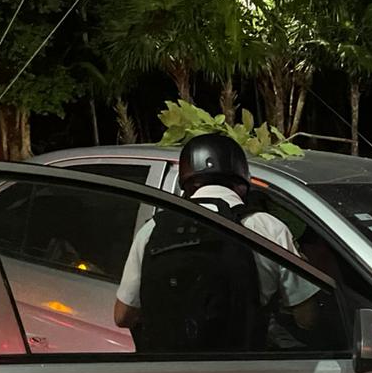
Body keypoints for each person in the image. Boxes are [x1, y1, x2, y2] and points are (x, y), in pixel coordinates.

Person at [114, 133, 319, 337]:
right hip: (244, 365)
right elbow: (307, 318)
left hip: (170, 366)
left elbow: (123, 316)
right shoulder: (268, 228)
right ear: (242, 181)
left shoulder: (152, 229)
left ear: (187, 184)